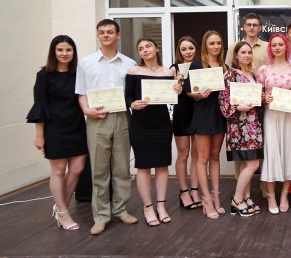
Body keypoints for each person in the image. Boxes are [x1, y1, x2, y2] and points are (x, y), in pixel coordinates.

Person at [76, 19, 138, 236]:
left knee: (122, 168)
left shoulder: (129, 63)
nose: (105, 35)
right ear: (97, 35)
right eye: (101, 32)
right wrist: (87, 110)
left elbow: (132, 93)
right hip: (97, 119)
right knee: (99, 169)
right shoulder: (86, 63)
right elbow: (81, 92)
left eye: (110, 32)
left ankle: (120, 210)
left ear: (118, 35)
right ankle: (101, 216)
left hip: (122, 118)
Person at [27, 35, 87, 230]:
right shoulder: (44, 75)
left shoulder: (79, 73)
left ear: (73, 52)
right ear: (53, 52)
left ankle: (62, 208)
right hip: (55, 128)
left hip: (77, 126)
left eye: (68, 50)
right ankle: (63, 212)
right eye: (60, 50)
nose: (64, 53)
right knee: (59, 170)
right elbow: (40, 106)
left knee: (77, 168)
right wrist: (40, 136)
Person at [125, 38, 181, 226]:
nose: (145, 50)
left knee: (162, 165)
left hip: (162, 122)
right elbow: (127, 96)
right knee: (143, 166)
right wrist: (132, 104)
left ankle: (161, 206)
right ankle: (148, 207)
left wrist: (178, 89)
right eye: (140, 48)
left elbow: (173, 97)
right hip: (140, 124)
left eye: (148, 46)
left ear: (156, 48)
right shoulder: (133, 71)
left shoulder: (169, 72)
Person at [256, 34, 291, 214]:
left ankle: (284, 194)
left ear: (286, 47)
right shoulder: (263, 70)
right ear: (270, 48)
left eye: (280, 44)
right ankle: (271, 196)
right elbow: (256, 94)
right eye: (273, 45)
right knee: (272, 154)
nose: (277, 47)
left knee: (290, 153)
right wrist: (263, 97)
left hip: (289, 117)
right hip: (271, 116)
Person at [219, 42, 264, 217]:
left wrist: (260, 97)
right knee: (253, 164)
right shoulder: (230, 74)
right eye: (243, 52)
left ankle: (247, 198)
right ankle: (237, 200)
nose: (247, 55)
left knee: (248, 163)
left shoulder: (252, 74)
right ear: (236, 55)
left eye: (249, 52)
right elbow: (224, 100)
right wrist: (238, 107)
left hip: (253, 124)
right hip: (239, 125)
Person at [187, 30, 228, 219]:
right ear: (205, 45)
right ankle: (206, 199)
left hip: (219, 114)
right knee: (202, 158)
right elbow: (188, 91)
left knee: (215, 156)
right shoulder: (196, 65)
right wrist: (197, 94)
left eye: (218, 43)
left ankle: (216, 197)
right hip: (203, 114)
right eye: (212, 43)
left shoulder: (225, 66)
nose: (216, 46)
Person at [169, 36, 201, 210]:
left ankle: (195, 190)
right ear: (179, 52)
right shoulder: (173, 69)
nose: (188, 52)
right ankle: (183, 192)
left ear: (196, 49)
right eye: (184, 49)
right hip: (181, 113)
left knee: (197, 154)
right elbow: (167, 95)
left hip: (198, 113)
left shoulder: (201, 67)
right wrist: (176, 83)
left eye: (191, 48)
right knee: (183, 154)